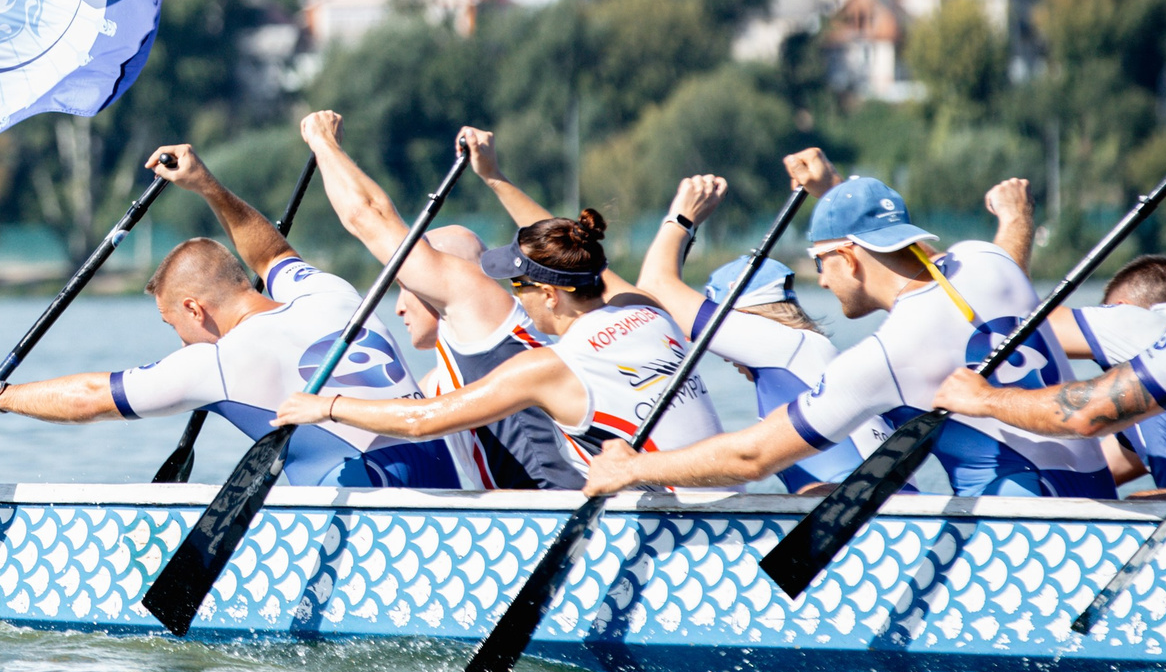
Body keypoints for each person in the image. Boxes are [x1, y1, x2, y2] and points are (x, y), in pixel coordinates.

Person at [578, 150, 1117, 500]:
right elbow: (1008, 253)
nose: (821, 282)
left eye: (819, 264)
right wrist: (1017, 216)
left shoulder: (886, 357)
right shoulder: (986, 261)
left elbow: (752, 457)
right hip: (1096, 509)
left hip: (1018, 549)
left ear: (849, 259)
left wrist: (630, 470)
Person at [0, 141, 463, 487]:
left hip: (374, 503)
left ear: (195, 308)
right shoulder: (331, 293)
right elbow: (271, 255)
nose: (179, 341)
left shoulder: (215, 363)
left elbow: (92, 399)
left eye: (174, 325)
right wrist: (207, 185)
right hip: (454, 473)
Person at [270, 195, 729, 482]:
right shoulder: (647, 311)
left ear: (550, 294)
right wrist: (494, 177)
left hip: (658, 524)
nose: (516, 300)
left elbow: (423, 421)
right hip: (726, 500)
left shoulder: (553, 367)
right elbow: (579, 248)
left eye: (520, 288)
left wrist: (328, 407)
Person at [300, 111, 579, 489]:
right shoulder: (440, 380)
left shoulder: (486, 315)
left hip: (560, 511)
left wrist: (324, 144)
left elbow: (370, 216)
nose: (398, 306)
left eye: (407, 286)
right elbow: (409, 417)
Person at [628, 173, 883, 491]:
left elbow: (655, 288)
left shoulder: (782, 345)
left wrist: (682, 219)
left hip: (870, 528)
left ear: (745, 319)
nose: (716, 351)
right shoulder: (804, 350)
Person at [935, 256, 1166, 480]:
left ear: (1117, 309)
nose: (1102, 365)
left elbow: (1010, 322)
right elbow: (1104, 469)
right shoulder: (1156, 414)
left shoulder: (1138, 322)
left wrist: (982, 398)